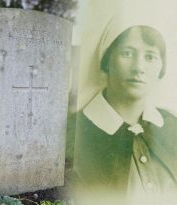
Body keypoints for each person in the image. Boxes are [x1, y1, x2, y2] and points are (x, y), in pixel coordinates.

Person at [66, 15, 177, 205]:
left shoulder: (172, 126)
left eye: (150, 56)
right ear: (107, 60)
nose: (139, 68)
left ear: (161, 67)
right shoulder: (72, 133)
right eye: (127, 53)